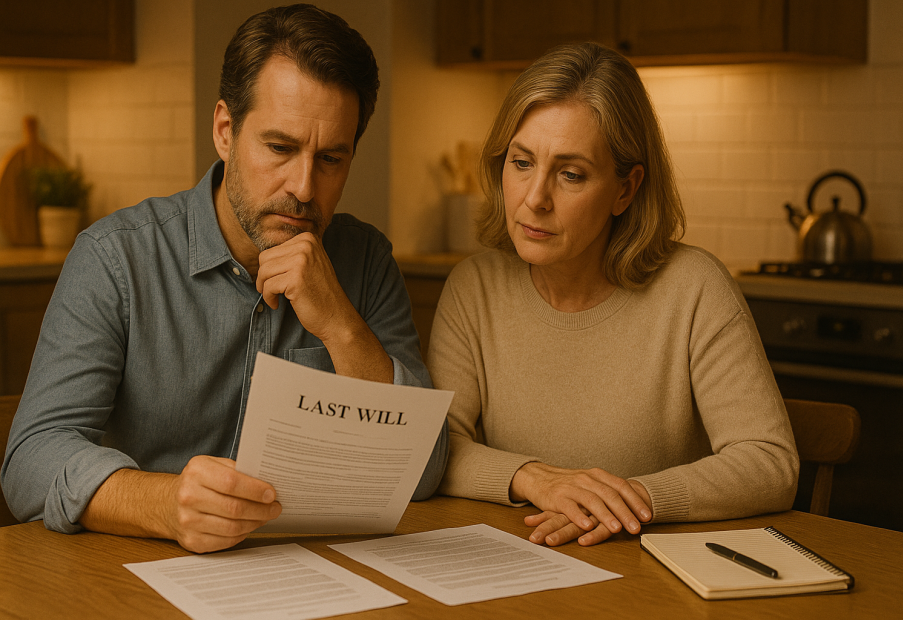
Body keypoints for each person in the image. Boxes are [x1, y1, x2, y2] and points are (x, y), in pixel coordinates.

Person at [1, 4, 447, 553]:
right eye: (280, 148)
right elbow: (30, 459)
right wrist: (163, 503)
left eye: (332, 158)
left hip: (314, 572)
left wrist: (340, 326)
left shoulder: (367, 260)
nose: (304, 188)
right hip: (137, 573)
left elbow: (425, 472)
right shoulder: (115, 259)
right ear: (225, 131)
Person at [428, 42, 798, 548]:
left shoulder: (695, 288)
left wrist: (632, 499)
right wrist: (535, 479)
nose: (535, 198)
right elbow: (435, 447)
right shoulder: (473, 287)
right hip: (521, 557)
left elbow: (769, 461)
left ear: (626, 189)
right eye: (522, 162)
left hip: (652, 570)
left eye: (571, 174)